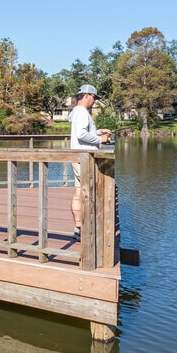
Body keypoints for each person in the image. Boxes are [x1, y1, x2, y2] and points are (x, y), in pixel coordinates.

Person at [69, 84, 112, 241]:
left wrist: (98, 132)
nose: (94, 101)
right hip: (84, 159)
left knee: (79, 192)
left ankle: (79, 229)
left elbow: (83, 133)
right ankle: (87, 229)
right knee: (89, 192)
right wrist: (100, 139)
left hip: (78, 157)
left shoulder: (78, 112)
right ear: (87, 95)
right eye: (94, 98)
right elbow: (81, 134)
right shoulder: (81, 112)